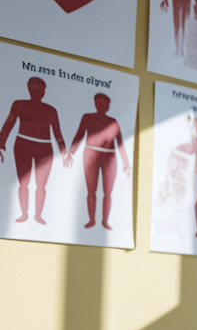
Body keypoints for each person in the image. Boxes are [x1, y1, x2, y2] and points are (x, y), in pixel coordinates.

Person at [0, 77, 70, 225]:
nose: (36, 89)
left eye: (39, 87)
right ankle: (24, 214)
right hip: (22, 146)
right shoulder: (19, 105)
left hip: (44, 149)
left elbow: (58, 133)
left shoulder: (51, 110)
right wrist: (1, 144)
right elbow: (8, 125)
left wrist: (64, 151)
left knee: (41, 185)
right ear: (28, 88)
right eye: (33, 86)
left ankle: (38, 215)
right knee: (23, 183)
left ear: (44, 90)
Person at [68, 93, 131, 230]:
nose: (101, 105)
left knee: (108, 192)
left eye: (104, 102)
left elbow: (120, 143)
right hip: (91, 153)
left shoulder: (113, 122)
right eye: (98, 102)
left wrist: (126, 163)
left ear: (108, 105)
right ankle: (91, 219)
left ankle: (105, 221)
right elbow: (79, 135)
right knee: (91, 190)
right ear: (94, 103)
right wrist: (71, 152)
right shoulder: (87, 117)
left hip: (110, 156)